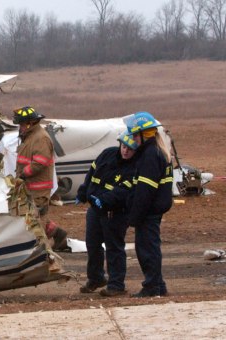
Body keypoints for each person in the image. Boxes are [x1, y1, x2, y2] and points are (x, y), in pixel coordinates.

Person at [76, 131, 139, 296]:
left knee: (114, 247)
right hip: (95, 209)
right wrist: (83, 192)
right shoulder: (107, 154)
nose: (125, 151)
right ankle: (96, 278)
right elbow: (92, 173)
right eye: (124, 146)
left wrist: (102, 200)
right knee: (92, 244)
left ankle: (116, 285)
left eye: (130, 149)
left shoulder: (135, 167)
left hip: (115, 212)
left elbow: (123, 191)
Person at [126, 111, 173, 297]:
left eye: (136, 135)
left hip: (148, 212)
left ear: (146, 134)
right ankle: (158, 285)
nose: (134, 139)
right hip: (152, 211)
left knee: (147, 249)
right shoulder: (155, 151)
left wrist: (134, 216)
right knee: (149, 247)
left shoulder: (150, 155)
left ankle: (152, 286)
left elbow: (145, 191)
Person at [12, 106, 68, 251]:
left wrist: (23, 174)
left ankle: (42, 253)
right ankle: (57, 234)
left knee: (35, 219)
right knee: (36, 216)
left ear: (30, 123)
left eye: (22, 124)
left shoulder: (40, 138)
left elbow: (40, 163)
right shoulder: (30, 137)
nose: (21, 127)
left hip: (38, 188)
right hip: (29, 186)